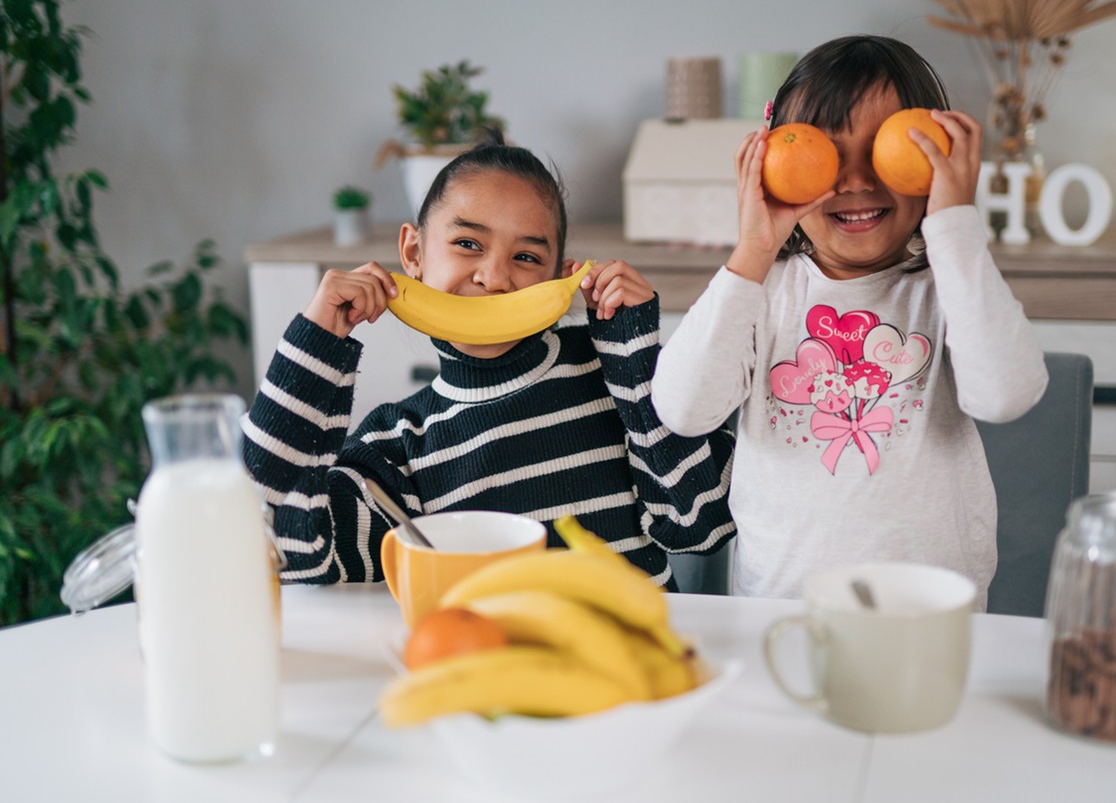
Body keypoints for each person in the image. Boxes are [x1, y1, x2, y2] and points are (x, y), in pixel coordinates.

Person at [651, 35, 1048, 609]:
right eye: (826, 154)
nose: (856, 182)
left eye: (887, 148)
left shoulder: (950, 289)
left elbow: (1006, 395)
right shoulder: (761, 292)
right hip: (781, 613)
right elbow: (684, 410)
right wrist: (753, 251)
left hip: (932, 616)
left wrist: (955, 224)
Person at [243, 139, 735, 588]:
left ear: (558, 279)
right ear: (412, 252)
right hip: (487, 672)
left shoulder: (615, 375)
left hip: (639, 666)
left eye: (526, 257)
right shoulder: (396, 446)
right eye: (468, 244)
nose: (495, 277)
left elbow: (701, 524)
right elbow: (281, 547)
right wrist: (312, 352)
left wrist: (637, 362)